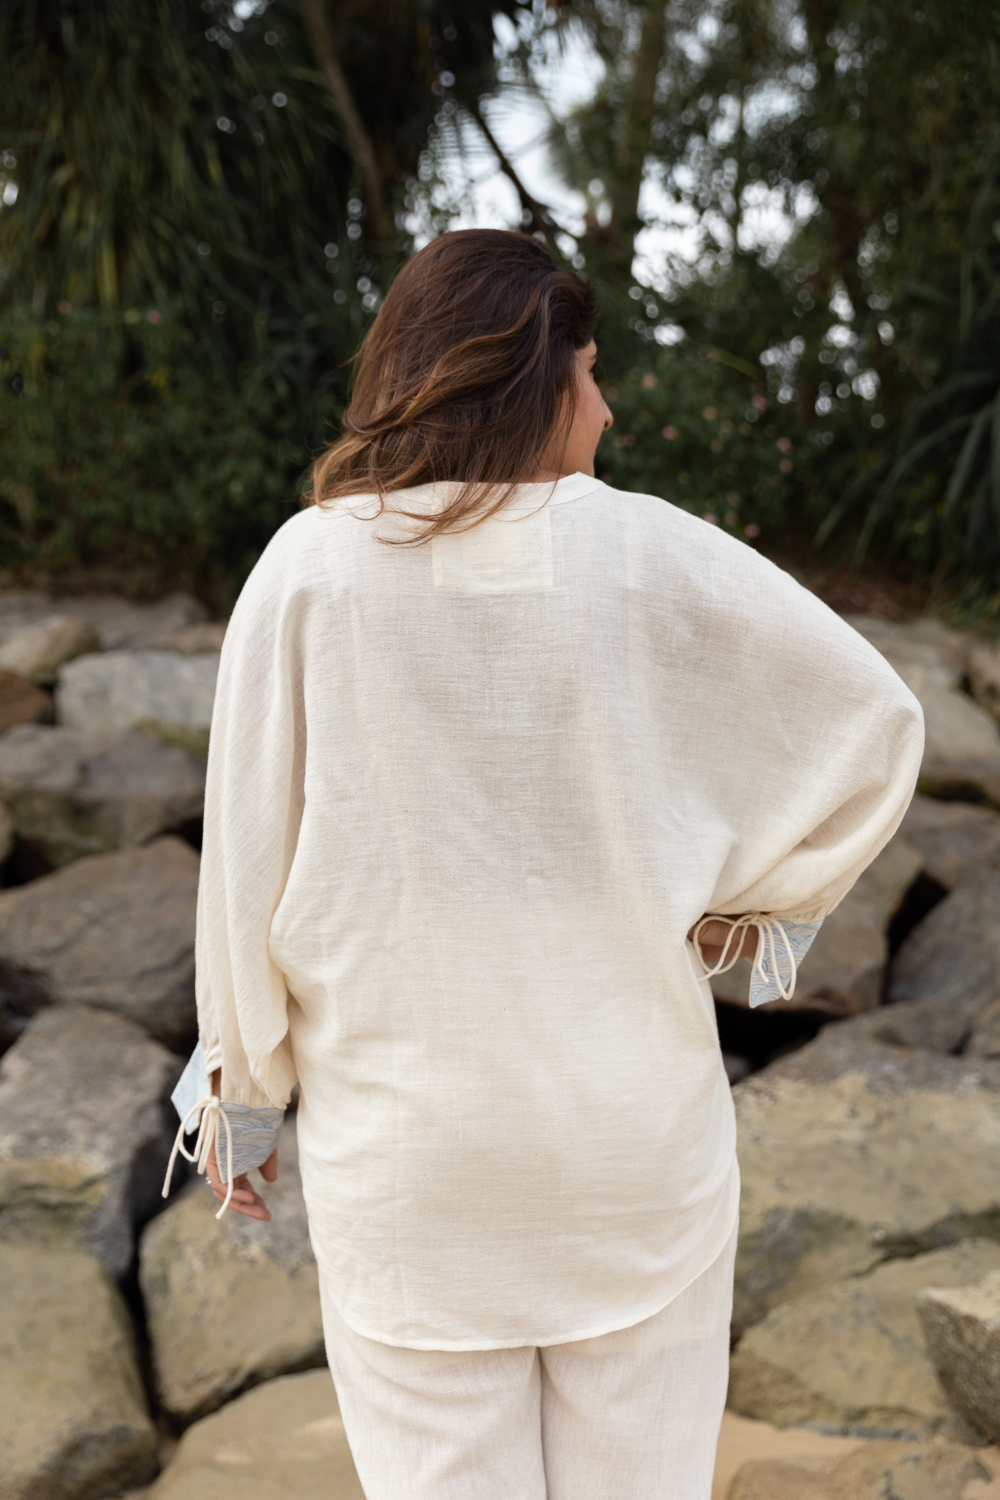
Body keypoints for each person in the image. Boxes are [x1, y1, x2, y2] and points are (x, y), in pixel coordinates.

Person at [164, 229, 923, 1499]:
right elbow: (874, 725)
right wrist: (745, 911)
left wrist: (241, 1106)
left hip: (412, 1173)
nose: (606, 408)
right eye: (592, 370)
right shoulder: (649, 553)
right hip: (631, 1156)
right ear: (533, 376)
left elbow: (246, 868)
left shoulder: (310, 568)